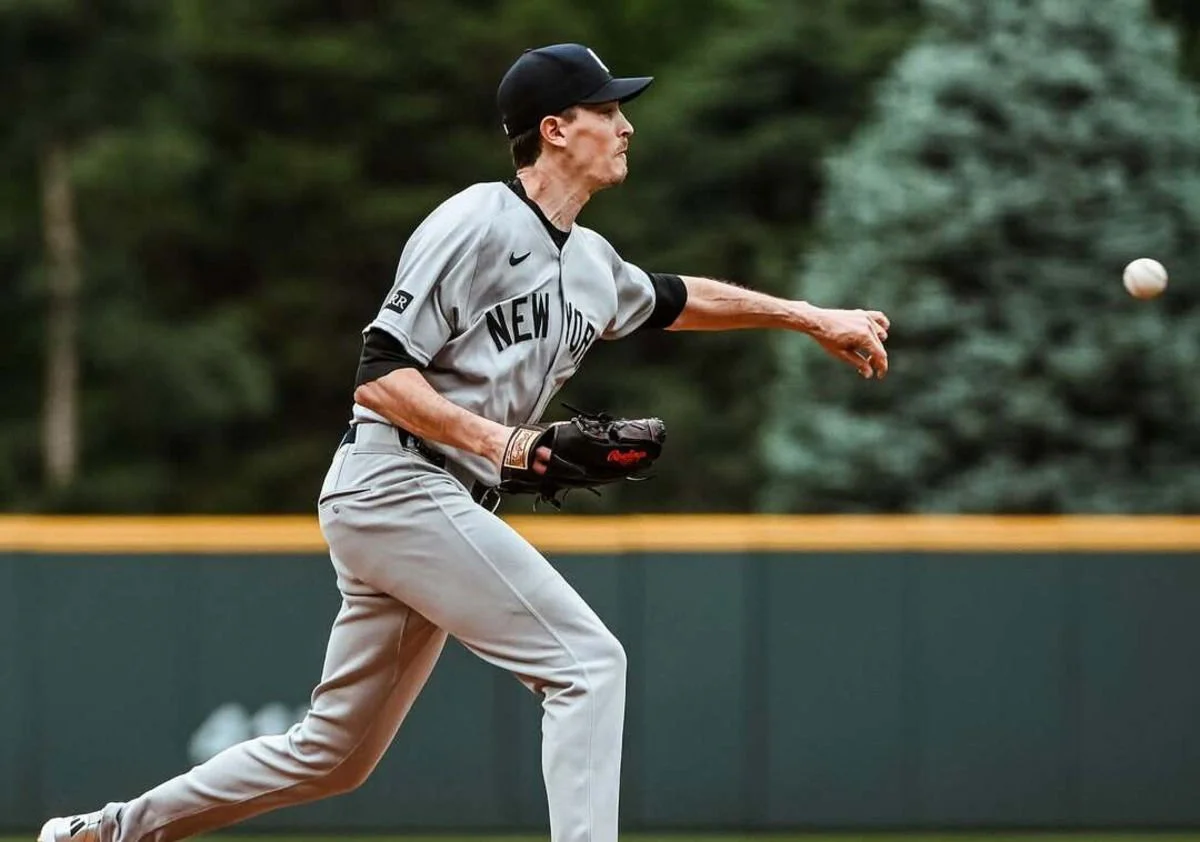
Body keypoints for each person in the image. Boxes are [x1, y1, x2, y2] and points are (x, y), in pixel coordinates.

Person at [38, 43, 889, 842]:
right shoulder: (477, 220)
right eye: (606, 110)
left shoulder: (593, 263)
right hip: (395, 481)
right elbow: (379, 374)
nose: (626, 125)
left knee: (332, 755)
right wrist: (509, 444)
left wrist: (810, 317)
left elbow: (675, 298)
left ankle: (108, 831)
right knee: (587, 665)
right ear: (555, 130)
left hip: (434, 500)